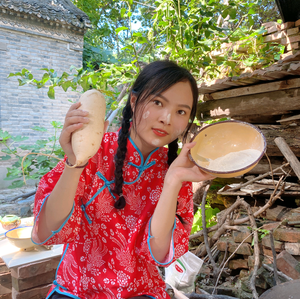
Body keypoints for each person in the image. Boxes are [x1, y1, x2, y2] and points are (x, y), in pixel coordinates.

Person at [31, 60, 214, 299]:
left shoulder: (175, 170)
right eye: (158, 102)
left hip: (141, 293)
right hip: (76, 291)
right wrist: (76, 163)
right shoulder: (94, 149)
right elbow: (45, 234)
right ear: (134, 101)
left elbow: (158, 254)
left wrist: (173, 180)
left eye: (181, 111)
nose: (167, 118)